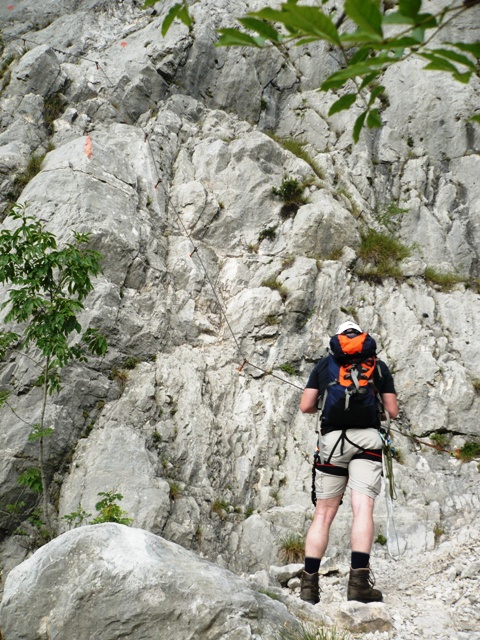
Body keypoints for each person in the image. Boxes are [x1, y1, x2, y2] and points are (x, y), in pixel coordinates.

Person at [299, 321, 398, 605]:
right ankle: (358, 586)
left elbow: (306, 406)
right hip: (367, 441)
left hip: (331, 444)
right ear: (362, 338)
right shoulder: (377, 366)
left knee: (323, 515)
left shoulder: (324, 365)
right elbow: (392, 411)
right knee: (362, 508)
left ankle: (309, 589)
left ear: (339, 338)